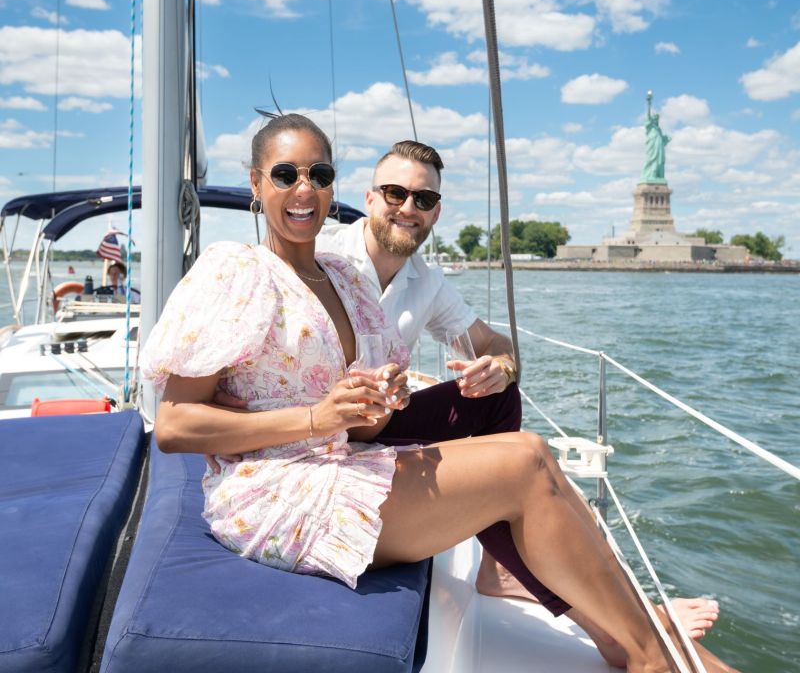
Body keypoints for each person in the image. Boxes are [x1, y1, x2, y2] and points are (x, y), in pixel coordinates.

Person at [141, 114, 736, 673]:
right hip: (275, 491)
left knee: (528, 451)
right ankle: (648, 655)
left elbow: (363, 428)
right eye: (286, 174)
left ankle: (622, 637)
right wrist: (318, 416)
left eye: (319, 175)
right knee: (526, 461)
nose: (304, 189)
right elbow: (173, 427)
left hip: (344, 460)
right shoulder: (236, 270)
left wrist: (376, 400)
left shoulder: (343, 280)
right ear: (255, 183)